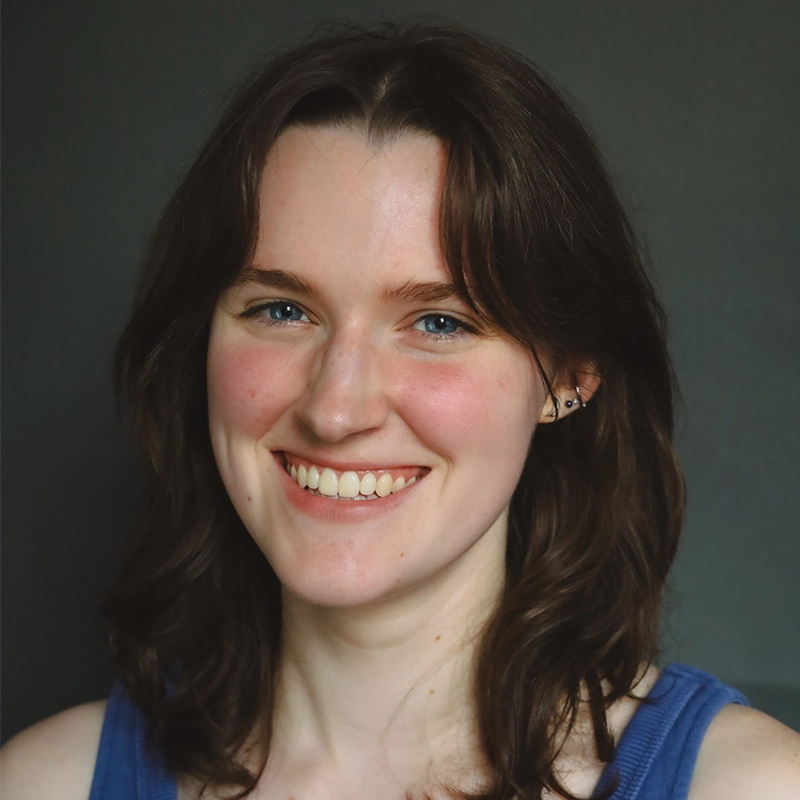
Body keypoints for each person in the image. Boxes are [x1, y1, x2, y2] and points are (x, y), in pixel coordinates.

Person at [2, 21, 799, 800]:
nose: (336, 408)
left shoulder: (754, 787)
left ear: (568, 376)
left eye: (439, 323)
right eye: (282, 309)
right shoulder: (42, 783)